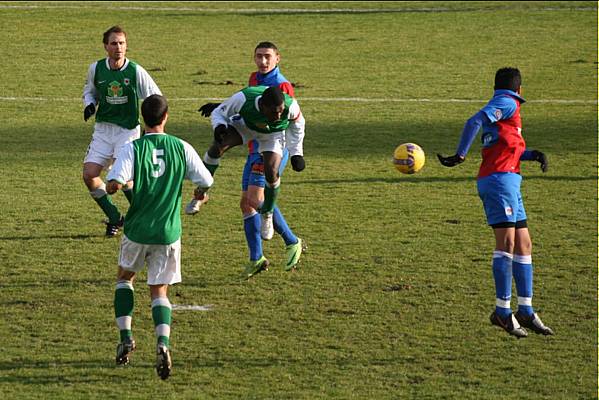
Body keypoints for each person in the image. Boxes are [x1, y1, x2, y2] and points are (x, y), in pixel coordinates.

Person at [438, 67, 553, 338]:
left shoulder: (505, 112)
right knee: (507, 244)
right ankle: (502, 311)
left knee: (524, 243)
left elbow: (504, 147)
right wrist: (461, 155)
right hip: (499, 182)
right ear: (519, 90)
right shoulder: (506, 102)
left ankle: (525, 308)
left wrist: (533, 154)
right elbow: (474, 121)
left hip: (510, 180)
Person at [106, 94, 213, 379]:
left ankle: (126, 337)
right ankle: (163, 343)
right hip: (168, 232)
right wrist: (199, 194)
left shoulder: (133, 149)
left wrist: (117, 184)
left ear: (143, 119)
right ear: (166, 117)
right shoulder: (182, 147)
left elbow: (114, 184)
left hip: (138, 230)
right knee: (159, 291)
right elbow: (206, 180)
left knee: (125, 278)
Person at [190, 42, 304, 278]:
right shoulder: (255, 79)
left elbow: (285, 120)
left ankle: (292, 240)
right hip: (253, 143)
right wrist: (222, 108)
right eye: (259, 56)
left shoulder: (281, 85)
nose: (263, 62)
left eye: (268, 57)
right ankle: (257, 259)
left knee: (254, 198)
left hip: (272, 147)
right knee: (246, 203)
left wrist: (294, 154)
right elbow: (247, 103)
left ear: (278, 59)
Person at [82, 25, 162, 237]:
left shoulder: (136, 71)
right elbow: (89, 91)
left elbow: (156, 99)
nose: (118, 47)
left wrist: (151, 127)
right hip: (103, 130)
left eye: (122, 43)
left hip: (128, 131)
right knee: (89, 175)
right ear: (105, 46)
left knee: (123, 181)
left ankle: (145, 219)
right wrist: (89, 104)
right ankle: (115, 217)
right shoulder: (96, 69)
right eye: (114, 43)